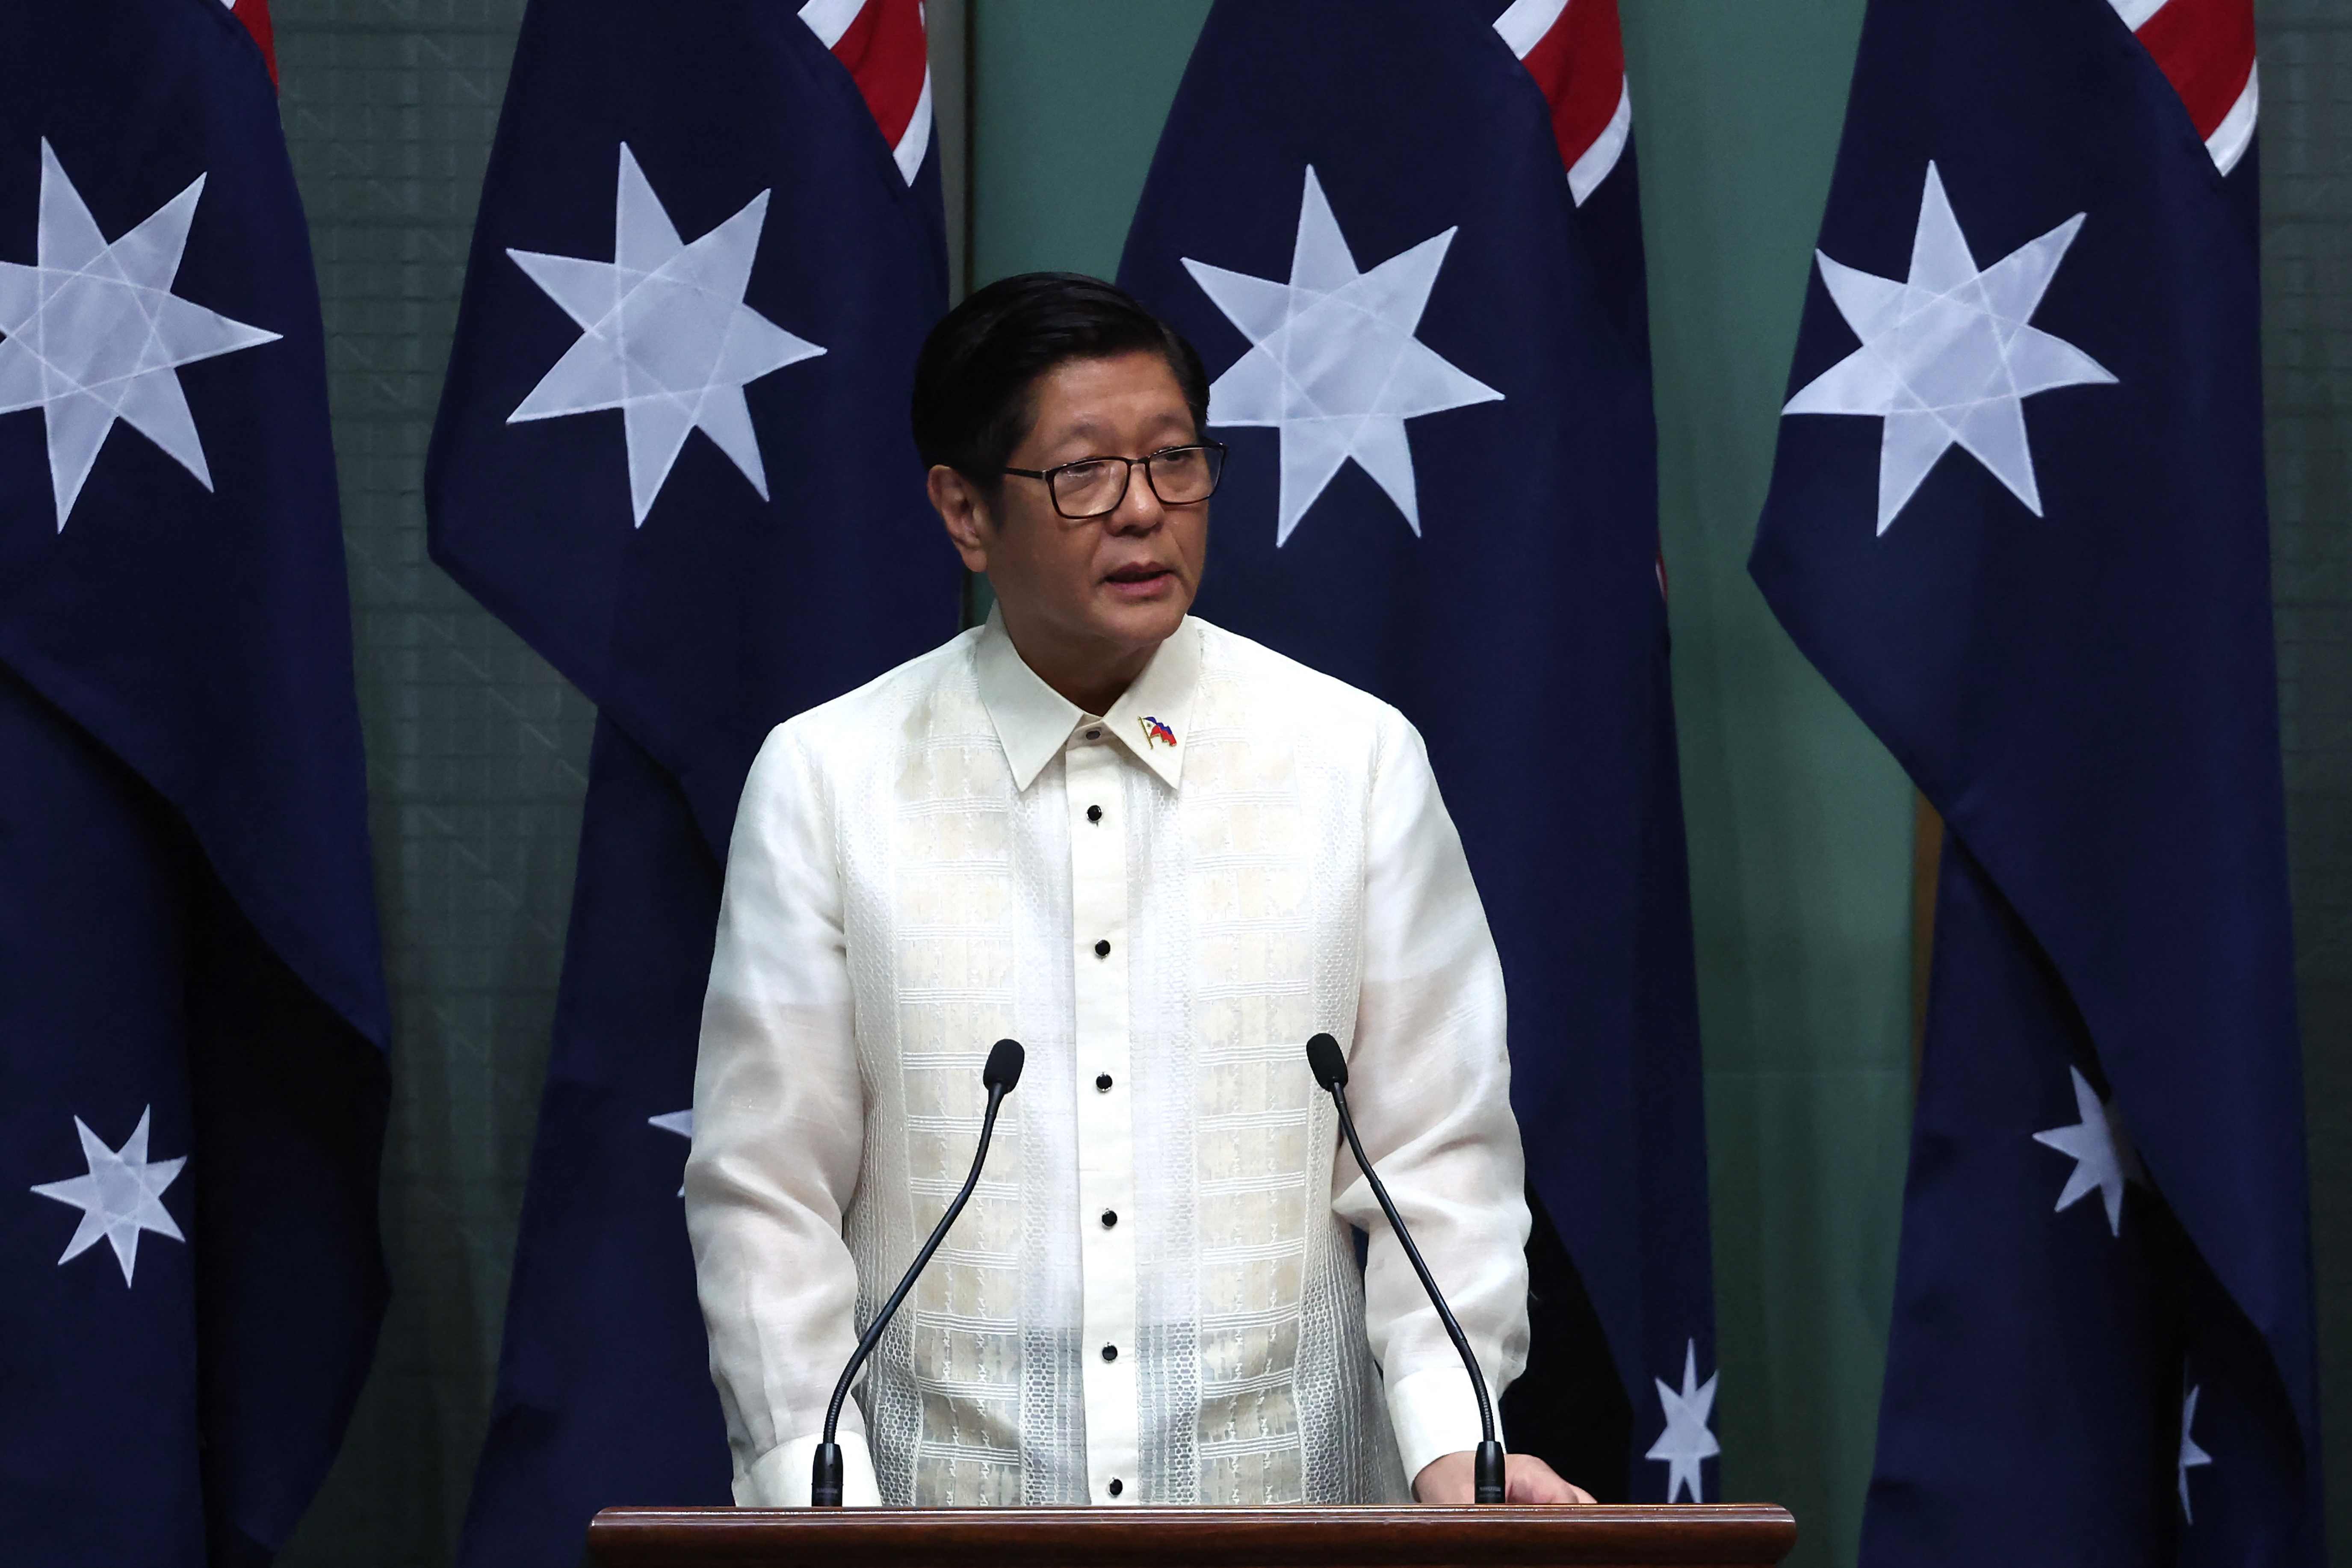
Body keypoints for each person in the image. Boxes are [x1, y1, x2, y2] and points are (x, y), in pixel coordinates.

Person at [685, 272, 1587, 1508]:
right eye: (1083, 473)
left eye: (1175, 462)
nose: (1142, 511)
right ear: (963, 511)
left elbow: (1436, 1159)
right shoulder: (831, 780)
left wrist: (1448, 1441)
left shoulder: (1349, 761)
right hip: (937, 1533)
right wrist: (813, 1499)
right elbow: (767, 1189)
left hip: (1291, 1521)